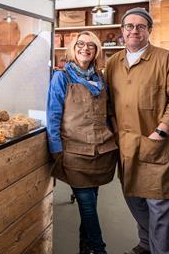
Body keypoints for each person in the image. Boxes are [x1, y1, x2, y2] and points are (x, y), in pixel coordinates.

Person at [105, 8, 169, 254]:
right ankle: (146, 243)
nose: (134, 30)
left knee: (159, 205)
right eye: (129, 26)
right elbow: (108, 103)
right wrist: (113, 131)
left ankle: (164, 251)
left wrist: (161, 133)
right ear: (122, 31)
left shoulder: (166, 59)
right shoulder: (112, 63)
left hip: (155, 143)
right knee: (134, 198)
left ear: (149, 31)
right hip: (126, 145)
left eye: (140, 26)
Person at [47, 31, 118, 254]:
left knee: (91, 205)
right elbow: (53, 116)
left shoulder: (100, 78)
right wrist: (56, 149)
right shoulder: (62, 78)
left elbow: (107, 113)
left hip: (102, 152)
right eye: (80, 44)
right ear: (72, 48)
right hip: (74, 153)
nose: (85, 48)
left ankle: (84, 247)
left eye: (91, 45)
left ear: (96, 51)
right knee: (87, 207)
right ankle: (99, 249)